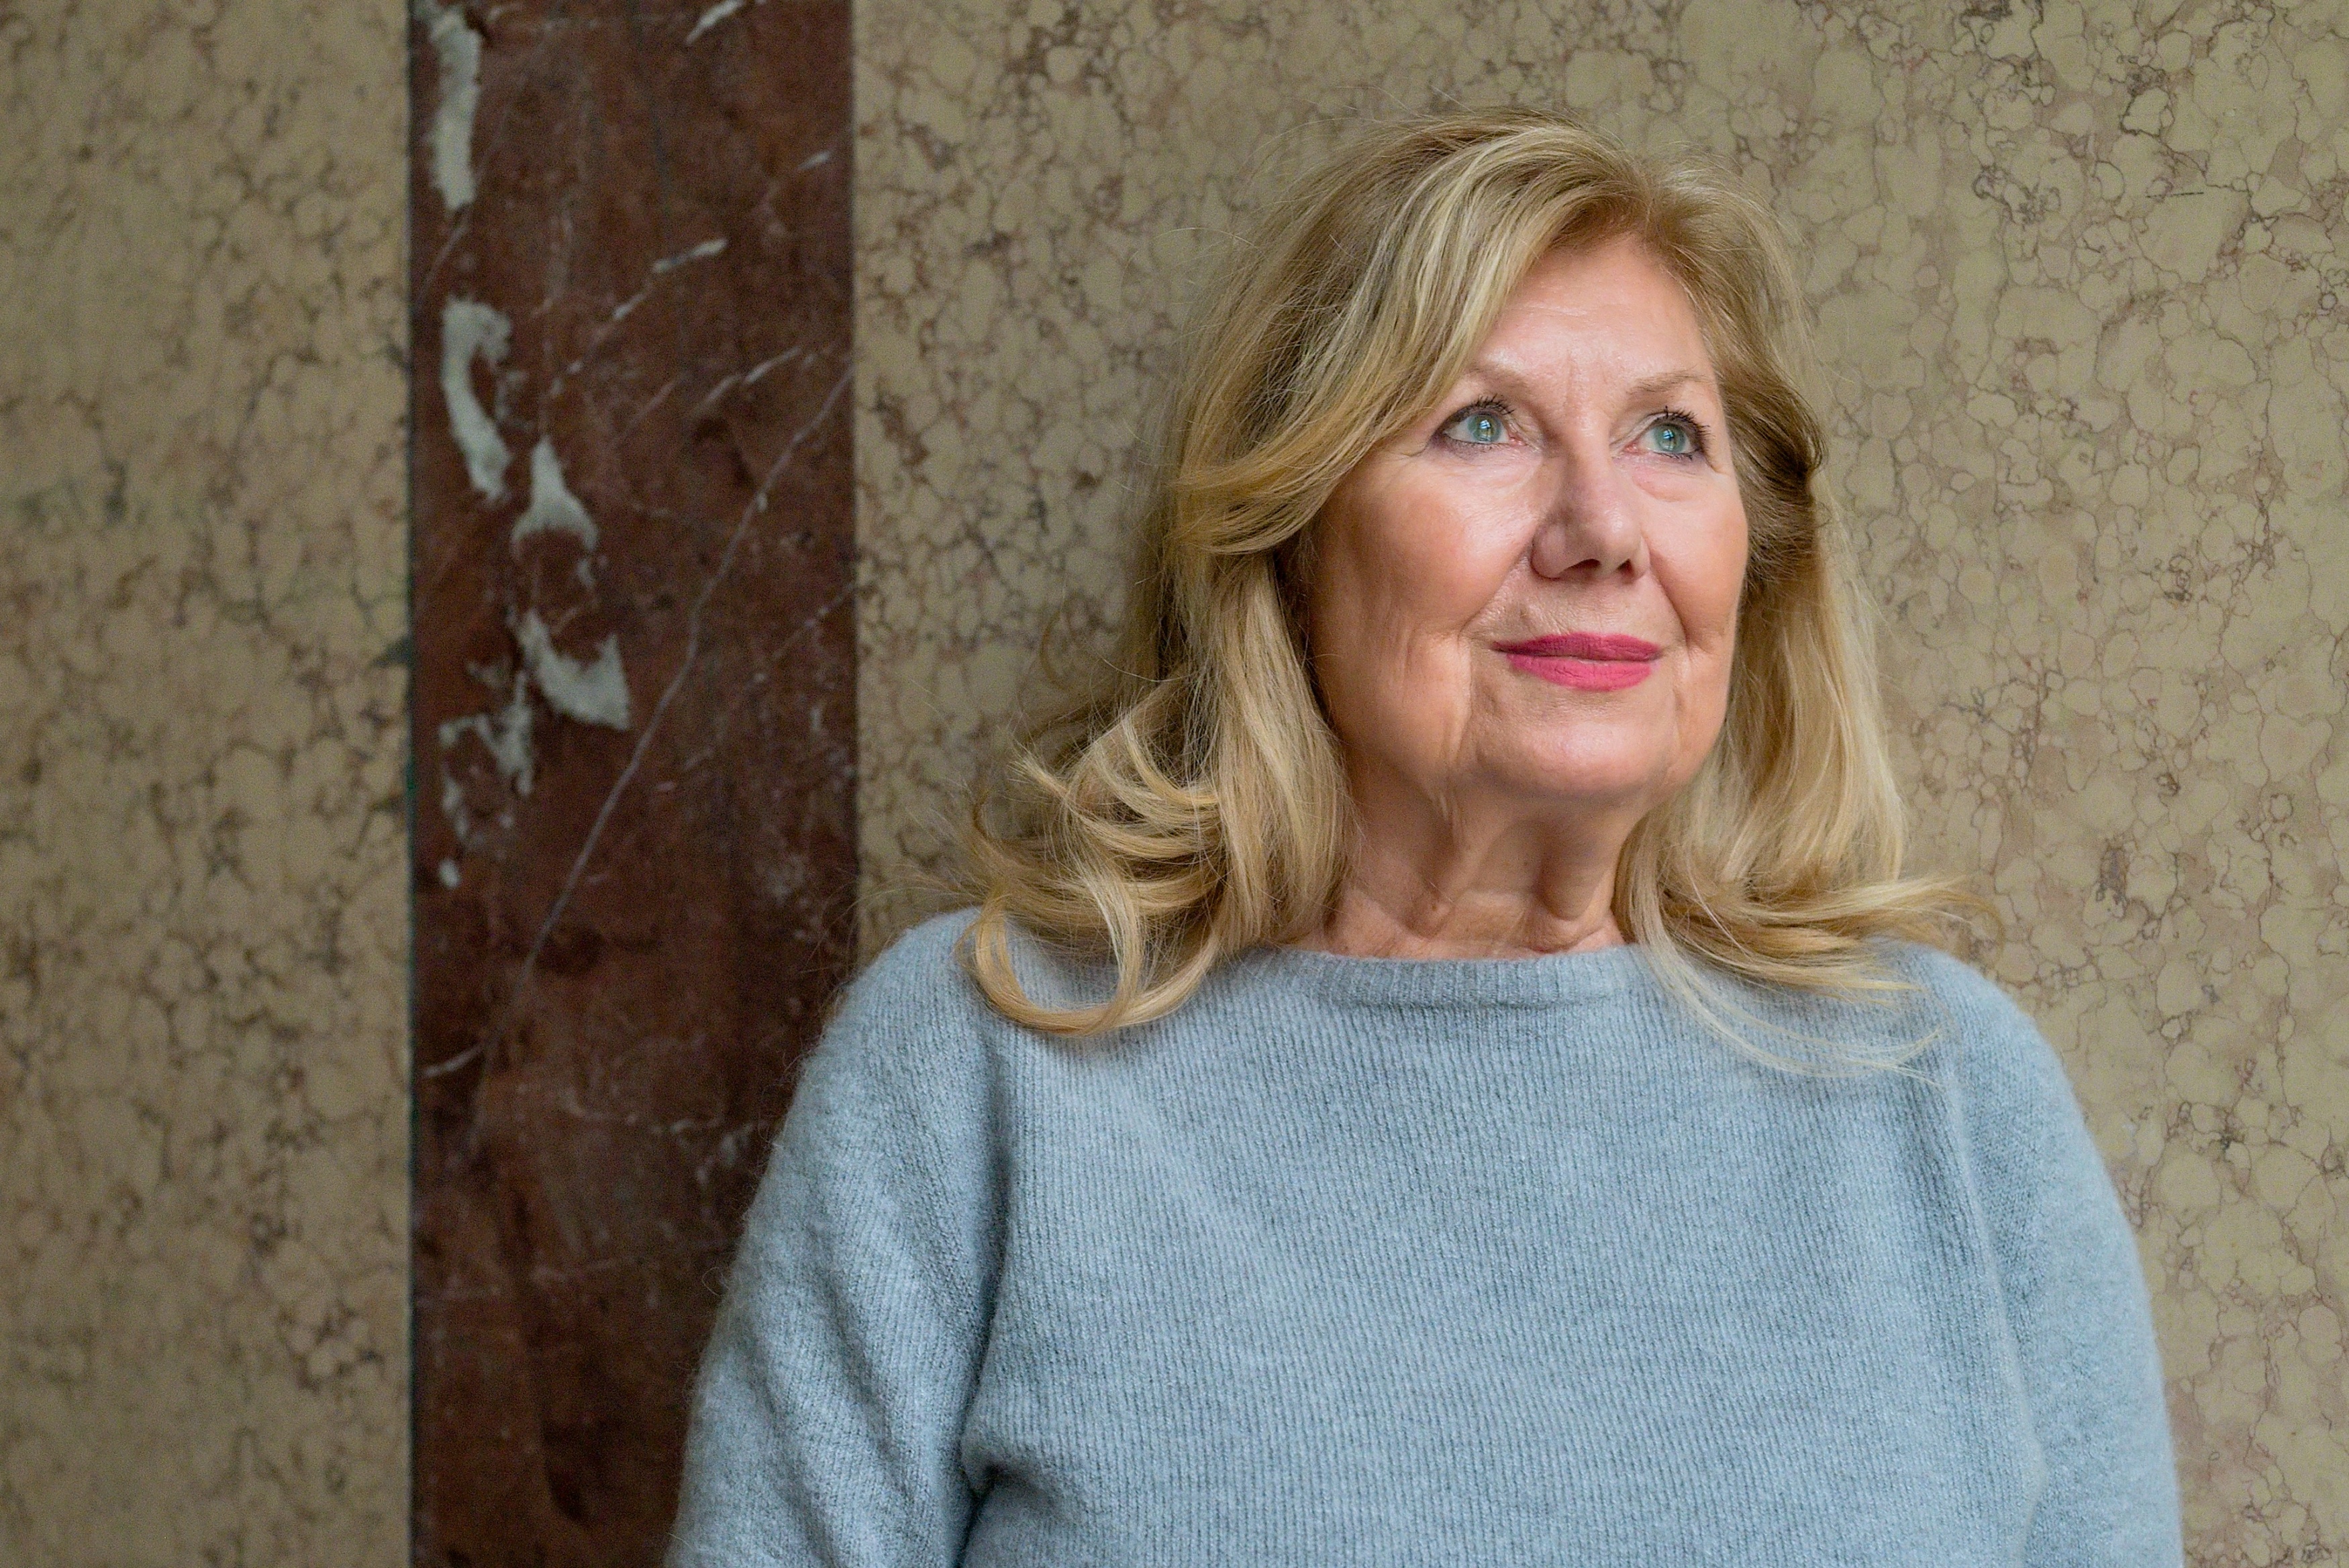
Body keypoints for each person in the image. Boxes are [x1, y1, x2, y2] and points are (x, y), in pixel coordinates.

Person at [666, 109, 2182, 1566]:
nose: (1604, 529)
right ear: (1291, 536)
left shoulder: (1949, 1096)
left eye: (1670, 434)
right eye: (1481, 424)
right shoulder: (984, 1065)